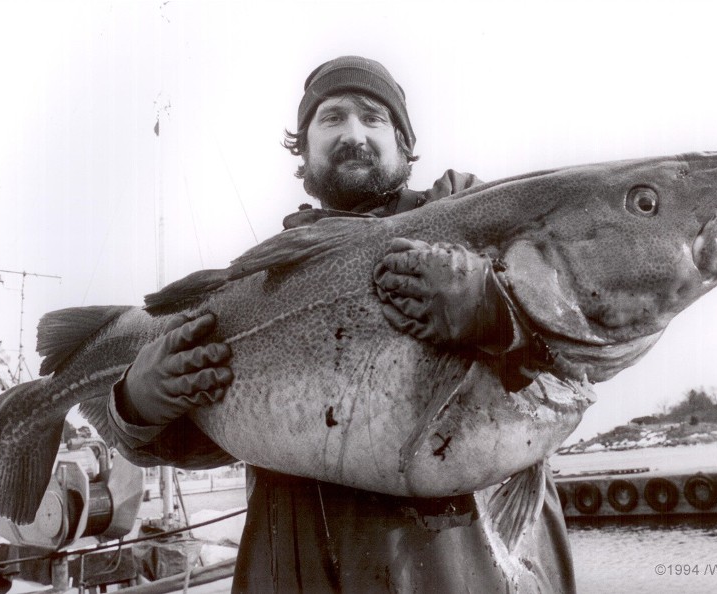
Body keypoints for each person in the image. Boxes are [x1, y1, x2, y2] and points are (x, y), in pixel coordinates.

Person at [107, 56, 576, 592]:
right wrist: (136, 406)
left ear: (404, 143)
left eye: (373, 118)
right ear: (302, 151)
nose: (354, 134)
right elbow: (210, 440)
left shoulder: (483, 222)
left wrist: (505, 317)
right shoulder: (262, 285)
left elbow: (584, 356)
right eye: (331, 118)